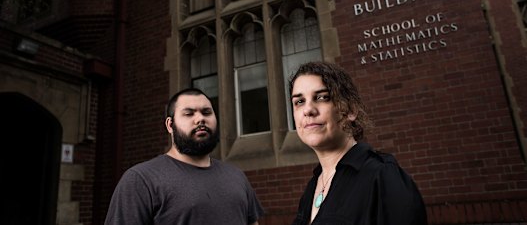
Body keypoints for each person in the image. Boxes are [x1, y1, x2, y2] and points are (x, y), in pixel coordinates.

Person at [289, 61, 427, 225]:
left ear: (351, 110)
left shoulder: (382, 176)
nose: (308, 110)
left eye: (322, 97)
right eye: (299, 101)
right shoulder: (313, 186)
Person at [104, 88, 264, 225]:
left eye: (207, 112)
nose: (200, 118)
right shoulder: (140, 180)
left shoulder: (236, 176)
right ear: (169, 125)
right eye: (189, 114)